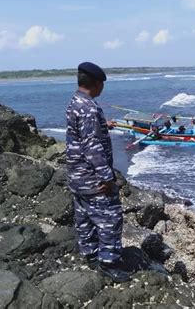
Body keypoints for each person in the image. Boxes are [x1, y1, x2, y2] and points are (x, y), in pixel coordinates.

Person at [65, 62, 130, 283]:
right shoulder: (89, 108)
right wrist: (107, 177)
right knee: (110, 218)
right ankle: (108, 263)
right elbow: (91, 146)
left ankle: (91, 255)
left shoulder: (76, 102)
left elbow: (83, 134)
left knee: (84, 217)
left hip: (77, 175)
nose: (103, 87)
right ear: (95, 83)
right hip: (93, 177)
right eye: (102, 83)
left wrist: (103, 125)